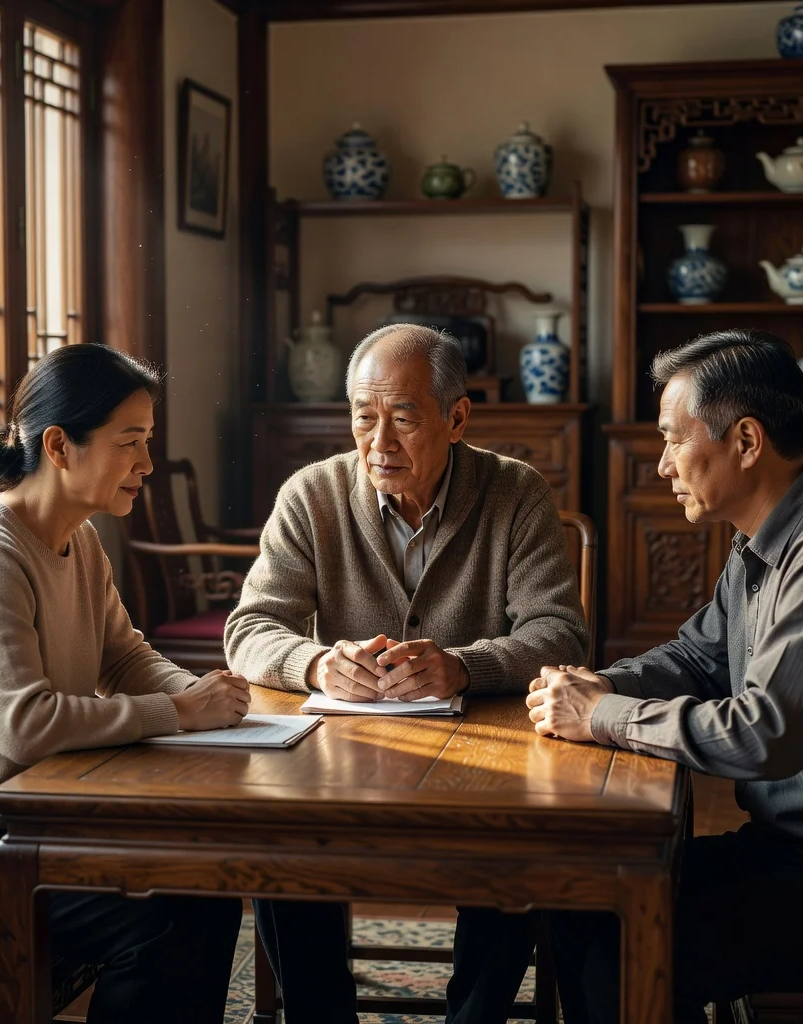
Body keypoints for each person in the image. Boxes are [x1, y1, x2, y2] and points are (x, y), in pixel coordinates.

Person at [524, 329, 803, 1023]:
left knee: (626, 960)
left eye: (674, 439)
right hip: (787, 851)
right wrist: (591, 687)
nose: (663, 465)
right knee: (578, 896)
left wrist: (601, 717)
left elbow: (765, 735)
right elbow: (698, 658)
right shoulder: (762, 543)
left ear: (748, 441)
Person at [225, 324, 588, 1024]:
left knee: (518, 849)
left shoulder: (515, 492)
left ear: (456, 418)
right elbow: (248, 628)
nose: (379, 444)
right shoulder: (312, 494)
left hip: (485, 756)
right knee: (276, 845)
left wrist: (463, 666)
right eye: (364, 418)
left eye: (404, 419)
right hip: (340, 757)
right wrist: (315, 663)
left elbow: (560, 633)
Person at [0, 343, 252, 1024]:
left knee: (205, 886)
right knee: (160, 920)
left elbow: (124, 656)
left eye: (148, 442)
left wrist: (214, 701)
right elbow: (26, 726)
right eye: (130, 442)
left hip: (15, 819)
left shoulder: (77, 538)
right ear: (59, 445)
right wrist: (177, 710)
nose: (146, 463)